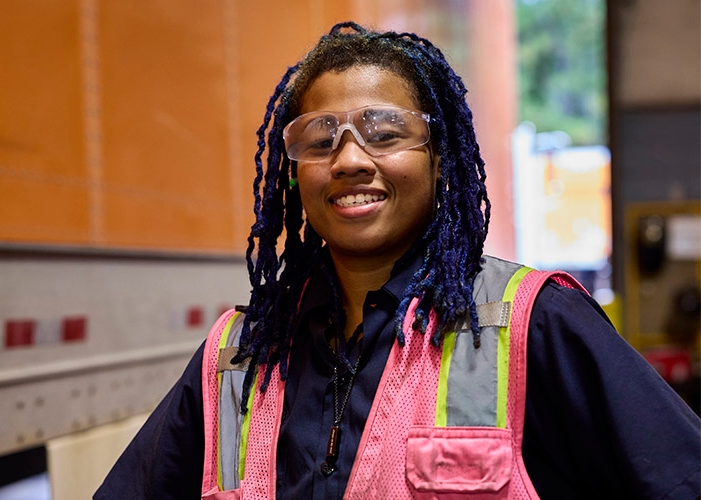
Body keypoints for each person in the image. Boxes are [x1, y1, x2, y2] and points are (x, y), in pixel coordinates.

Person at [95, 22, 700, 499]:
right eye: (320, 137)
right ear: (294, 169)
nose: (351, 159)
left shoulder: (533, 325)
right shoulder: (237, 356)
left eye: (385, 132)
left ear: (440, 158)